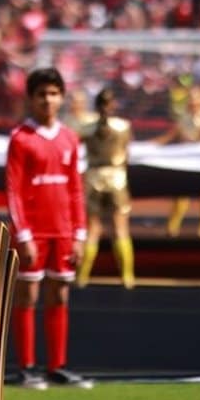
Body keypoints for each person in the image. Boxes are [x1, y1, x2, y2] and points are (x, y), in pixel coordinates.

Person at [5, 68, 91, 389]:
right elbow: (14, 191)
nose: (48, 100)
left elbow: (76, 189)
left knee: (60, 293)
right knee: (27, 294)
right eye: (41, 94)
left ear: (62, 97)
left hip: (64, 231)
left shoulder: (70, 138)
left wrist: (80, 234)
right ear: (31, 98)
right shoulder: (21, 138)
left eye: (53, 93)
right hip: (34, 232)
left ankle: (58, 365)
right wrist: (23, 234)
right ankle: (27, 367)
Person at [77, 89, 135, 289]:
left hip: (93, 177)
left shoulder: (86, 128)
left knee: (92, 229)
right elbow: (127, 154)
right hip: (117, 177)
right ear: (114, 105)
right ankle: (127, 277)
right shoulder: (123, 127)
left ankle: (82, 276)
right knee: (120, 228)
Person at [161, 87, 200, 239]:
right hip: (186, 161)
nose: (192, 101)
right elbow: (171, 135)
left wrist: (191, 143)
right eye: (190, 98)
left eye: (195, 98)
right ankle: (172, 227)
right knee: (181, 194)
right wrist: (150, 146)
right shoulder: (183, 116)